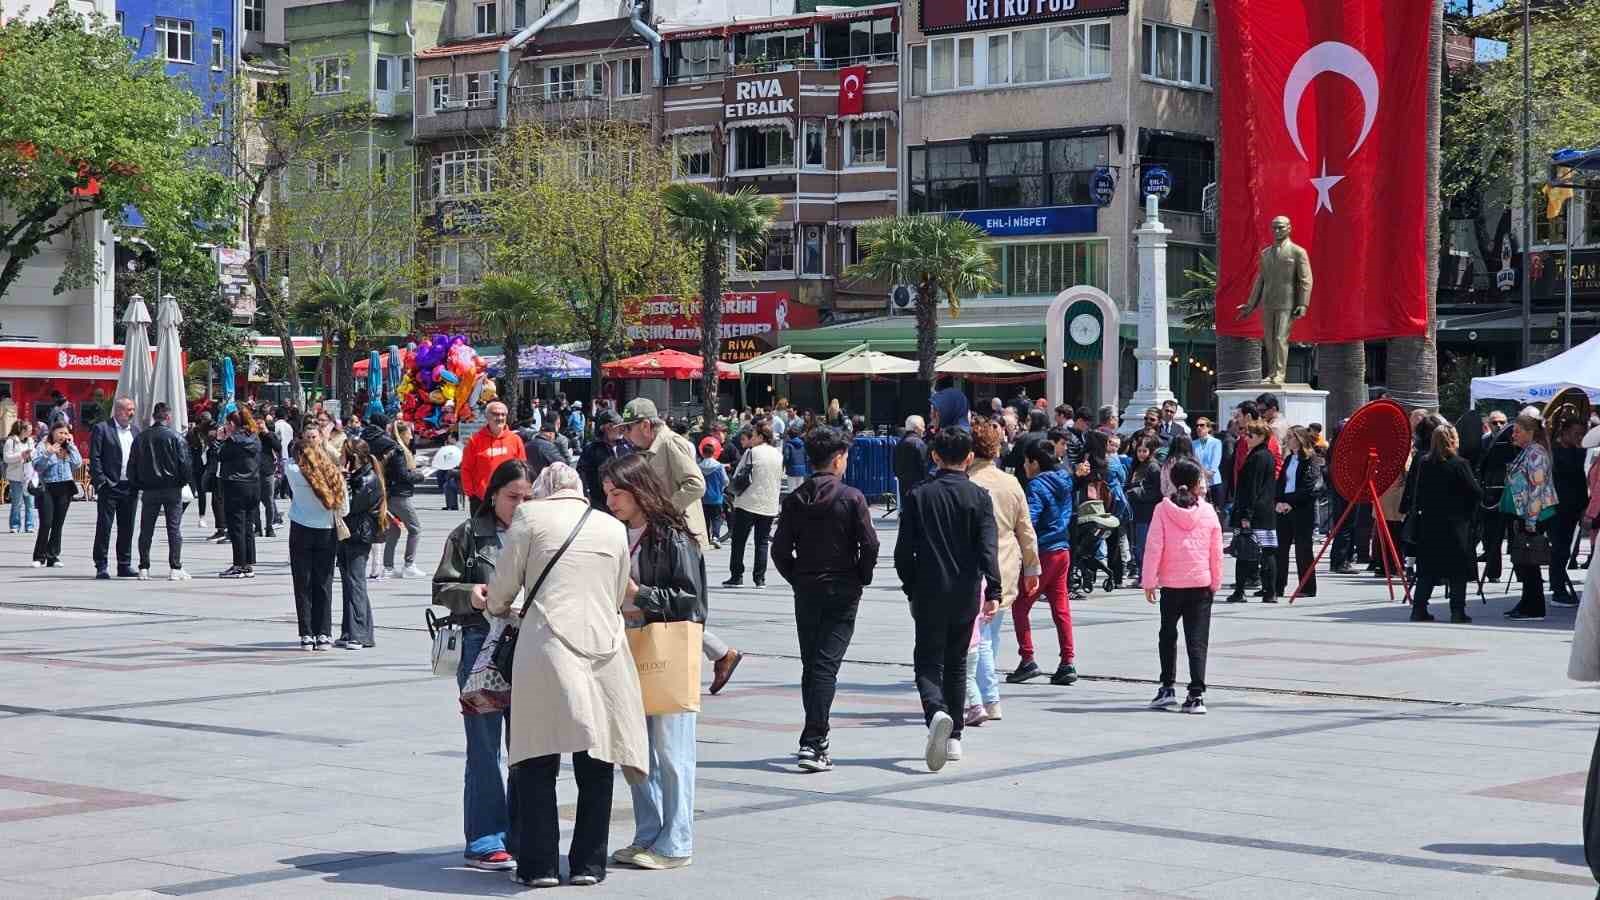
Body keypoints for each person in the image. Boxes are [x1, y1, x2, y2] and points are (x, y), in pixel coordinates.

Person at [476, 462, 647, 887]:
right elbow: (619, 586)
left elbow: (503, 588)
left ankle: (539, 867)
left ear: (543, 489)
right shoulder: (611, 526)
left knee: (537, 755)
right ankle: (590, 864)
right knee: (597, 756)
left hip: (548, 646)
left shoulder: (530, 517)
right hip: (605, 648)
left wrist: (491, 604)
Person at [601, 453, 705, 871]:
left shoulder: (672, 537)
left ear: (639, 489)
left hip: (664, 650)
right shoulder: (616, 534)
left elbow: (690, 602)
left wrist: (637, 593)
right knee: (634, 749)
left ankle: (676, 840)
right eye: (607, 493)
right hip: (624, 648)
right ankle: (649, 832)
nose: (611, 502)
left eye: (618, 493)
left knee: (672, 750)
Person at [433, 458, 534, 873]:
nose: (521, 505)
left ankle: (523, 833)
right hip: (481, 646)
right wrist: (470, 594)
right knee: (484, 746)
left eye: (529, 498)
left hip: (530, 645)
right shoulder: (470, 535)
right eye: (513, 497)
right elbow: (441, 587)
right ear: (493, 495)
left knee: (528, 747)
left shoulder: (539, 533)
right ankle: (485, 837)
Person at [771, 426, 878, 772]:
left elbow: (779, 549)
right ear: (837, 459)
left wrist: (797, 577)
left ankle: (817, 737)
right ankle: (813, 741)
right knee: (825, 666)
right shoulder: (852, 497)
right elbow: (871, 544)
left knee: (813, 664)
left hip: (808, 589)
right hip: (843, 589)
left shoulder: (796, 498)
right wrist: (862, 575)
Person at [894, 427, 1001, 772]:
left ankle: (935, 711)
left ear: (935, 457)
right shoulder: (979, 496)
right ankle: (954, 735)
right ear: (969, 458)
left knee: (927, 661)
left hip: (927, 590)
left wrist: (910, 585)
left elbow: (902, 553)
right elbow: (988, 549)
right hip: (966, 592)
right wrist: (994, 590)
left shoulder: (918, 495)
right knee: (956, 664)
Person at [621, 398, 743, 693]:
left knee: (676, 604)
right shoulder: (648, 449)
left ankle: (720, 653)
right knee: (662, 604)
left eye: (629, 428)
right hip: (659, 533)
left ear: (646, 425)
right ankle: (720, 652)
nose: (626, 435)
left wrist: (664, 511)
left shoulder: (670, 444)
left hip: (678, 536)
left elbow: (695, 483)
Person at [963, 413, 1041, 722]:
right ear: (997, 451)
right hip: (1006, 563)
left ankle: (987, 697)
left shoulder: (967, 481)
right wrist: (1032, 568)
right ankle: (984, 694)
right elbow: (1026, 529)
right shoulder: (1011, 483)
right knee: (990, 636)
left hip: (975, 567)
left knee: (978, 636)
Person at [1141, 459, 1224, 714]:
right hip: (1200, 583)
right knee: (1197, 640)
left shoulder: (1162, 510)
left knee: (1167, 634)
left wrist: (1149, 580)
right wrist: (1216, 581)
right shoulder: (1208, 512)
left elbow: (1154, 546)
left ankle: (1167, 687)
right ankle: (1196, 694)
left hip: (1172, 584)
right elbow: (1216, 551)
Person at [1007, 438, 1076, 690]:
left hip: (1044, 550)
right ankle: (1067, 661)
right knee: (1061, 608)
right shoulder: (1064, 480)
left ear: (1034, 463)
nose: (1025, 466)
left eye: (1026, 461)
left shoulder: (1036, 485)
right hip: (1062, 548)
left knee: (1021, 605)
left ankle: (1028, 659)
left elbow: (1031, 519)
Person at [1409, 425, 1481, 623]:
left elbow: (1420, 493)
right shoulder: (1460, 464)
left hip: (1430, 524)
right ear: (1452, 440)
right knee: (1457, 569)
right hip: (1455, 524)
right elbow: (1474, 492)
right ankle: (1457, 611)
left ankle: (1419, 608)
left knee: (1426, 570)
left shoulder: (1424, 463)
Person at [286, 424, 346, 650]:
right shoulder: (332, 470)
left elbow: (292, 473)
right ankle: (324, 633)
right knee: (324, 581)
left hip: (301, 527)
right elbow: (344, 504)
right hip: (326, 528)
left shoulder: (293, 469)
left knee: (302, 582)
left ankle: (307, 634)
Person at [129, 403, 191, 581]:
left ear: (154, 417)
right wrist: (182, 482)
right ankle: (175, 567)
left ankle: (144, 567)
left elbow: (132, 465)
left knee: (146, 529)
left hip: (149, 489)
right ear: (168, 417)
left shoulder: (141, 438)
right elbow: (185, 464)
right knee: (174, 528)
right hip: (172, 489)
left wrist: (138, 484)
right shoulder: (176, 437)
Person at [1504, 413, 1557, 621]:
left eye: (1517, 431)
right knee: (1523, 560)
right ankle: (1527, 602)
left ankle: (1534, 607)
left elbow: (1536, 487)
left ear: (1530, 432)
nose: (1513, 435)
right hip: (1525, 512)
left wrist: (1531, 520)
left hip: (1534, 513)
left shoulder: (1536, 453)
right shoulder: (1527, 451)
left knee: (1530, 560)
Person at [337, 439, 386, 649]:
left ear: (353, 458)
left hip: (358, 535)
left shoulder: (367, 480)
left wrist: (342, 481)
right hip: (349, 534)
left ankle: (359, 633)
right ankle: (352, 631)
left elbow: (347, 506)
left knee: (356, 582)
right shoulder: (359, 477)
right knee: (350, 582)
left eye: (344, 454)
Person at [724, 418, 783, 589]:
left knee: (739, 540)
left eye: (754, 435)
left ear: (759, 436)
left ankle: (737, 576)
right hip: (769, 503)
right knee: (762, 541)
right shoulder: (778, 454)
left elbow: (738, 474)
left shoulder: (752, 452)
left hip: (748, 502)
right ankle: (760, 578)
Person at [89, 396, 140, 579]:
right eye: (129, 409)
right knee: (105, 526)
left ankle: (124, 564)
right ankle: (101, 565)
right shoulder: (102, 429)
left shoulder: (135, 431)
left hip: (129, 486)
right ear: (118, 411)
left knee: (127, 527)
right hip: (109, 486)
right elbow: (94, 457)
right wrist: (101, 481)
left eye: (133, 409)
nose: (132, 412)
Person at [1229, 422, 1280, 603]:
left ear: (1261, 437)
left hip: (1254, 512)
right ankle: (1270, 592)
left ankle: (1240, 591)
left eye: (1250, 435)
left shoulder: (1258, 457)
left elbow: (1252, 489)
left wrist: (1246, 515)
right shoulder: (1266, 456)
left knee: (1245, 552)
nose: (1246, 437)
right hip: (1266, 511)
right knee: (1267, 551)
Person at [1273, 426, 1324, 599]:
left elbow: (1310, 487)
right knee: (1281, 548)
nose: (1288, 440)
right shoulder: (1289, 459)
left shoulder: (1311, 459)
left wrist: (1290, 502)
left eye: (1291, 437)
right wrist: (1279, 501)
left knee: (1303, 550)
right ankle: (1277, 585)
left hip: (1302, 509)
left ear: (1300, 439)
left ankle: (1307, 587)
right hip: (1284, 506)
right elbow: (1281, 482)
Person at [460, 401, 526, 518]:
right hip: (481, 499)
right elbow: (466, 469)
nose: (499, 418)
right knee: (481, 534)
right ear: (487, 417)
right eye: (495, 414)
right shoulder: (475, 440)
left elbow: (523, 469)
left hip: (509, 499)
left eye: (503, 414)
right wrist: (471, 493)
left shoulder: (515, 440)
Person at [217, 409, 262, 578]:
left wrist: (220, 440)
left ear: (232, 424)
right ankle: (248, 563)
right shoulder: (255, 438)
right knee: (248, 525)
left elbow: (220, 456)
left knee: (236, 526)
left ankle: (238, 564)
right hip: (253, 485)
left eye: (227, 423)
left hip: (235, 485)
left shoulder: (233, 441)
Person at [30, 422, 81, 568]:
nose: (63, 436)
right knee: (46, 523)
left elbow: (77, 463)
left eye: (65, 433)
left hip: (65, 487)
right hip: (47, 487)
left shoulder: (69, 447)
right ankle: (39, 556)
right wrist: (49, 453)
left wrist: (71, 445)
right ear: (53, 432)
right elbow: (37, 466)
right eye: (60, 433)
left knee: (58, 524)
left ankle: (53, 556)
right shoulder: (43, 445)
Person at [1550, 420, 1588, 607]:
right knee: (1559, 548)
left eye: (1582, 433)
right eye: (1576, 433)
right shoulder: (1554, 451)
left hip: (1574, 506)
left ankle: (1559, 586)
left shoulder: (1579, 452)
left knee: (1565, 549)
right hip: (1558, 508)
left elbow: (1581, 481)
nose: (1579, 437)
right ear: (1564, 432)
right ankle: (1557, 589)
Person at [1124, 435, 1163, 579]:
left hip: (1147, 512)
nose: (1141, 454)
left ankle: (1148, 576)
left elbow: (1158, 490)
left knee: (1144, 546)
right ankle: (1142, 574)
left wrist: (1137, 492)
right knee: (1136, 546)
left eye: (1144, 451)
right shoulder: (1136, 465)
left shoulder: (1153, 467)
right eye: (1139, 451)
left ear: (1150, 451)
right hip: (1135, 511)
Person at [577, 410, 627, 510]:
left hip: (625, 501)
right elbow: (582, 475)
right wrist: (587, 497)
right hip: (601, 503)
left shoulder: (626, 446)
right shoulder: (592, 449)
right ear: (606, 428)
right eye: (617, 425)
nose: (622, 429)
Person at [5, 421, 36, 534]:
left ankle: (30, 525)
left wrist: (30, 454)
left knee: (30, 502)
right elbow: (7, 458)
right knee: (17, 502)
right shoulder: (11, 441)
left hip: (29, 475)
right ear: (22, 430)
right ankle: (15, 525)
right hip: (16, 476)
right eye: (29, 429)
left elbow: (35, 454)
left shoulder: (31, 441)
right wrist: (21, 455)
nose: (31, 432)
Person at [698, 440, 728, 548]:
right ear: (713, 452)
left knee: (705, 518)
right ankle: (715, 537)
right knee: (716, 517)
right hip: (716, 497)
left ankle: (705, 537)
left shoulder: (699, 466)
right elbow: (725, 480)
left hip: (703, 497)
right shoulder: (719, 466)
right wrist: (722, 488)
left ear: (703, 453)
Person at [186, 416, 213, 529]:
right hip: (194, 466)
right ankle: (179, 513)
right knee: (189, 493)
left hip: (204, 467)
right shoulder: (193, 433)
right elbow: (187, 448)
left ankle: (202, 517)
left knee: (202, 493)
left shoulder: (209, 433)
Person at [894, 415, 930, 499]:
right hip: (919, 489)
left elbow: (895, 468)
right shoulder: (919, 444)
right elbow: (925, 467)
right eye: (923, 426)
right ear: (917, 428)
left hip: (903, 488)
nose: (924, 430)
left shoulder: (899, 443)